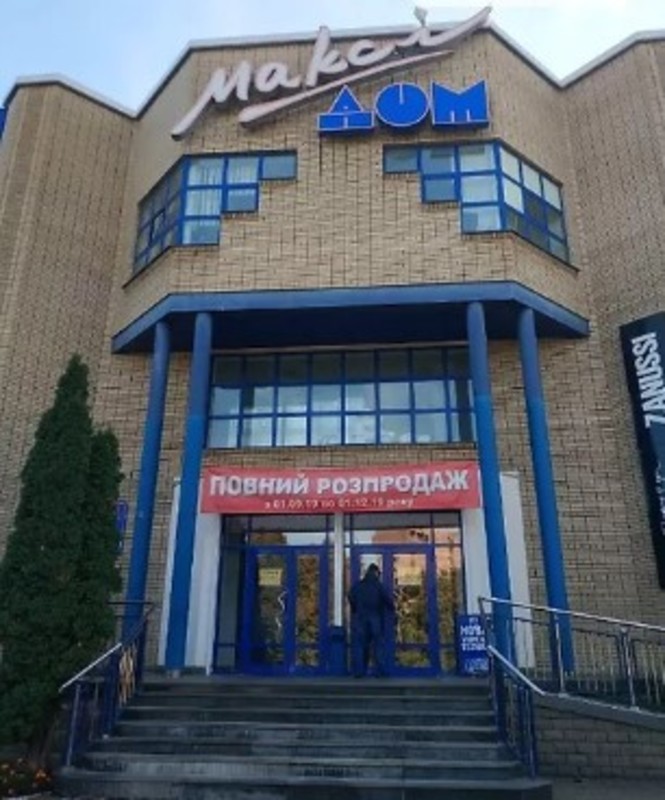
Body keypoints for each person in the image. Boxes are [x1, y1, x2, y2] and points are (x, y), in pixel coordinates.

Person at [347, 563, 394, 677]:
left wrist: (355, 608)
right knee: (377, 645)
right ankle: (379, 671)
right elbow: (387, 600)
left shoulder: (358, 586)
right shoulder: (378, 586)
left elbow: (350, 596)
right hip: (374, 617)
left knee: (360, 645)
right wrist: (392, 608)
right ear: (376, 572)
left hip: (360, 618)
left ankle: (359, 671)